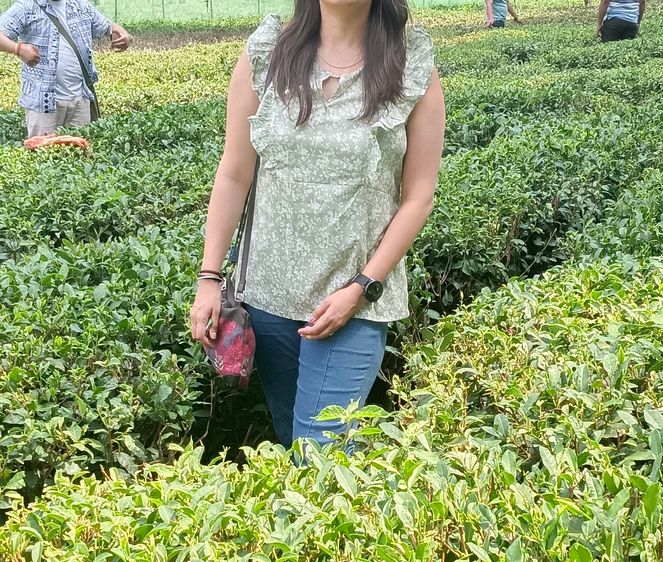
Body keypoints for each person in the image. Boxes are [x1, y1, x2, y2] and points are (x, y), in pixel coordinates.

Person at [189, 0, 445, 452]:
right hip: (268, 299)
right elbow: (234, 173)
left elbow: (419, 196)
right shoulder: (266, 55)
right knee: (297, 447)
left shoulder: (411, 65)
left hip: (353, 303)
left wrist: (363, 284)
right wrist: (209, 278)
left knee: (319, 454)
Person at [0, 0, 132, 137]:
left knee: (80, 153)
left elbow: (108, 27)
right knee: (43, 153)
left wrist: (123, 35)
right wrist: (18, 49)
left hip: (80, 98)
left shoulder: (79, 5)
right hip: (43, 103)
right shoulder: (27, 6)